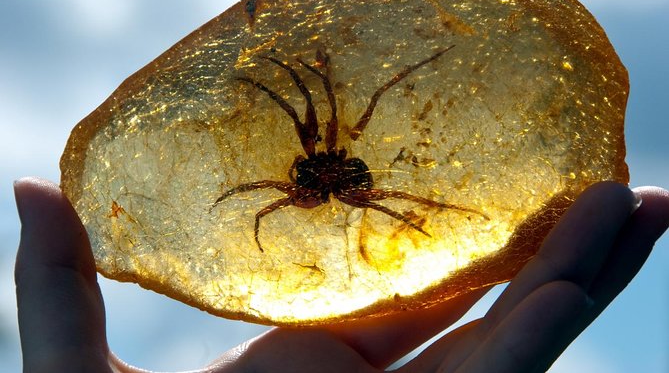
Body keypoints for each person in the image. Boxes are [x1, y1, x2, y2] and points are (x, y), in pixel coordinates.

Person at [14, 177, 668, 373]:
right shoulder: (295, 186)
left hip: (331, 188)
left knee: (394, 200)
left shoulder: (349, 185)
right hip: (318, 189)